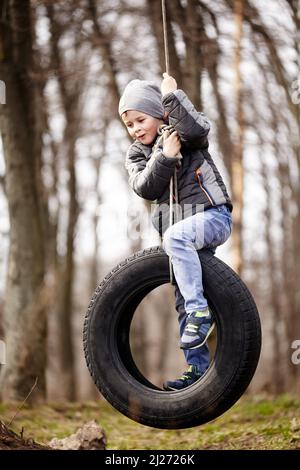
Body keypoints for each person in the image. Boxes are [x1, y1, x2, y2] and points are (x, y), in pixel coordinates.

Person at [118, 73, 233, 391]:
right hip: (180, 232)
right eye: (130, 124)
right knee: (183, 296)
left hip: (212, 217)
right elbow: (145, 186)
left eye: (141, 119)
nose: (136, 128)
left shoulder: (184, 133)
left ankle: (202, 311)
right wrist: (164, 156)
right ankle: (197, 369)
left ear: (158, 113)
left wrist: (172, 96)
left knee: (177, 241)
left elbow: (198, 128)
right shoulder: (137, 154)